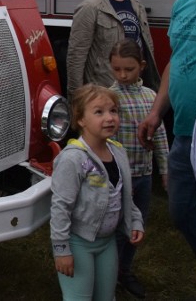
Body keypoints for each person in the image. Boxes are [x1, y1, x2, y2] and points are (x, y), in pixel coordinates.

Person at [139, 0, 196, 287]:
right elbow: (175, 63)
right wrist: (155, 111)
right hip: (183, 133)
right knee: (181, 212)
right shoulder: (183, 3)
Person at [51, 84, 144, 301]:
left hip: (107, 242)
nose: (109, 118)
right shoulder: (73, 159)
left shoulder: (117, 151)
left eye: (113, 111)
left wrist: (135, 221)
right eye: (99, 112)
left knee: (106, 296)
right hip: (78, 243)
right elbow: (60, 207)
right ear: (81, 119)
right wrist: (62, 250)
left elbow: (124, 194)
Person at [108, 39, 168, 298]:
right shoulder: (109, 98)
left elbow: (161, 137)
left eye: (129, 69)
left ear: (141, 67)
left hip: (143, 177)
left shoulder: (152, 98)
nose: (122, 75)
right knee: (117, 229)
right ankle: (108, 273)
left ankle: (124, 270)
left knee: (136, 227)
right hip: (120, 180)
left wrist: (165, 172)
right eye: (117, 69)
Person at [67, 0, 159, 97]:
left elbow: (147, 49)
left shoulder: (138, 6)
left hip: (135, 90)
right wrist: (77, 98)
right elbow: (76, 56)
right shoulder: (90, 8)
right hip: (105, 91)